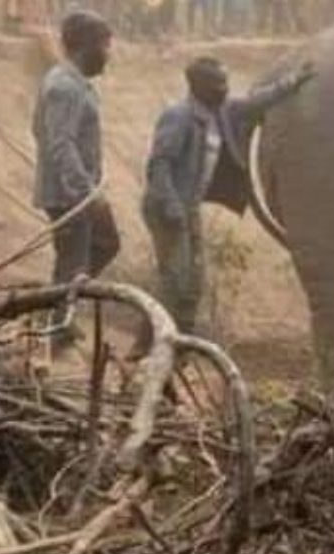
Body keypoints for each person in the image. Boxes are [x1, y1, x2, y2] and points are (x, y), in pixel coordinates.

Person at [135, 56, 314, 353]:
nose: (224, 89)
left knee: (193, 285)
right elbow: (159, 165)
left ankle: (180, 347)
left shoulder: (223, 111)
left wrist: (294, 80)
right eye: (217, 84)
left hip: (188, 207)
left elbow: (258, 102)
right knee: (175, 280)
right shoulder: (178, 117)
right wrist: (171, 205)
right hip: (165, 208)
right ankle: (146, 345)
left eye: (226, 82)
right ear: (198, 87)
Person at [32, 9, 118, 351]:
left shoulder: (71, 82)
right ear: (85, 46)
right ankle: (57, 329)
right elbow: (60, 142)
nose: (108, 53)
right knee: (74, 259)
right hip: (71, 195)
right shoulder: (64, 86)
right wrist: (84, 191)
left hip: (77, 189)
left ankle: (59, 310)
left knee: (100, 246)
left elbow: (41, 131)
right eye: (104, 45)